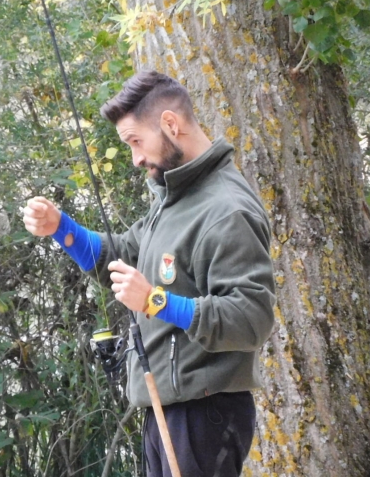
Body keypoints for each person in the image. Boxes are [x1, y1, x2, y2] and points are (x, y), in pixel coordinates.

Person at [21, 71, 276, 477]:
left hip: (204, 414)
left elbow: (251, 320)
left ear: (170, 125)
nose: (136, 158)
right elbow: (123, 256)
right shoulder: (176, 200)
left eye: (135, 142)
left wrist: (156, 301)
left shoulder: (227, 210)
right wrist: (61, 228)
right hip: (168, 412)